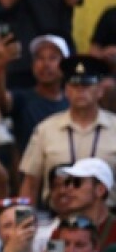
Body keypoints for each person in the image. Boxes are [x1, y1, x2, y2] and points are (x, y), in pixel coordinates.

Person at [19, 55, 116, 204]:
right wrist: (21, 223)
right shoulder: (46, 129)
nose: (80, 92)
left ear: (100, 91)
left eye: (86, 86)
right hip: (57, 218)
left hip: (107, 220)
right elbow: (30, 184)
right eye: (75, 86)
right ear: (66, 91)